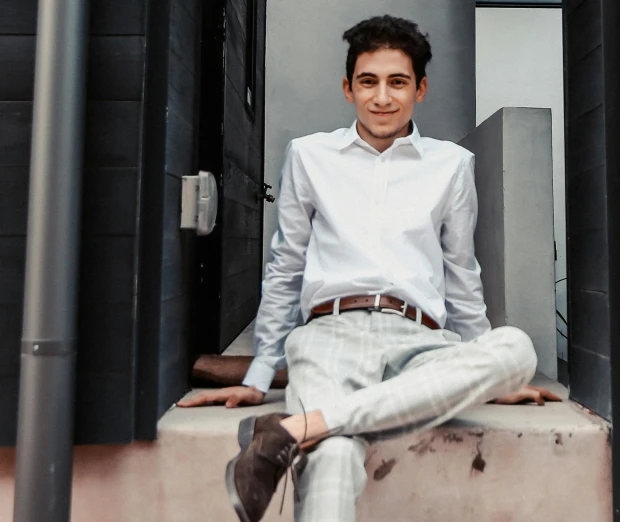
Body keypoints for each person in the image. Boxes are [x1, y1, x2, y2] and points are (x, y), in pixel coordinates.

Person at [178, 14, 560, 522]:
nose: (382, 97)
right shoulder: (310, 156)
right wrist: (260, 371)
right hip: (330, 336)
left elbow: (461, 271)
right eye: (368, 81)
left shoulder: (450, 165)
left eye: (397, 82)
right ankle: (315, 429)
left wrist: (486, 371)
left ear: (420, 89)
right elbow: (286, 265)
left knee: (515, 348)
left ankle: (293, 428)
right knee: (332, 456)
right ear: (348, 87)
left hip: (422, 340)